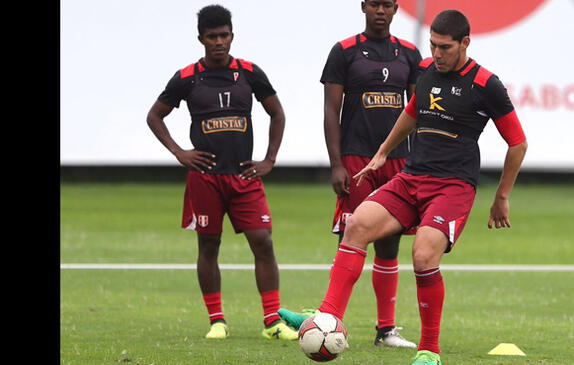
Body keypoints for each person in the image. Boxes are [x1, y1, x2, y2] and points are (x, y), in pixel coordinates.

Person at [284, 9, 527, 365]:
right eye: (433, 46)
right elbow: (412, 113)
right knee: (356, 225)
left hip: (453, 187)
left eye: (445, 47)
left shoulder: (486, 84)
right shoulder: (428, 71)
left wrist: (501, 196)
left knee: (423, 254)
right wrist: (382, 153)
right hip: (411, 178)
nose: (437, 53)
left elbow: (518, 142)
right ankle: (326, 318)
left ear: (465, 44)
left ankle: (430, 350)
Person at [145, 4, 297, 341]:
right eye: (212, 36)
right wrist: (179, 152)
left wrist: (269, 160)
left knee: (263, 242)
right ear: (201, 38)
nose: (219, 42)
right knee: (208, 246)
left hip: (244, 177)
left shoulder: (249, 72)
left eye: (224, 35)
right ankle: (217, 321)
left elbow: (277, 113)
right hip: (205, 179)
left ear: (232, 36)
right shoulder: (186, 77)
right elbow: (154, 116)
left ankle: (272, 321)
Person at [278, 0, 421, 349]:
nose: (380, 11)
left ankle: (386, 330)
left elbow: (418, 112)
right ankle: (327, 318)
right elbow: (331, 109)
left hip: (397, 160)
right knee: (350, 238)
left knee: (389, 242)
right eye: (374, 4)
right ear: (363, 7)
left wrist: (418, 160)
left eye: (387, 4)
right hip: (356, 160)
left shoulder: (410, 54)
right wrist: (337, 163)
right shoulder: (344, 51)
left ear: (396, 8)